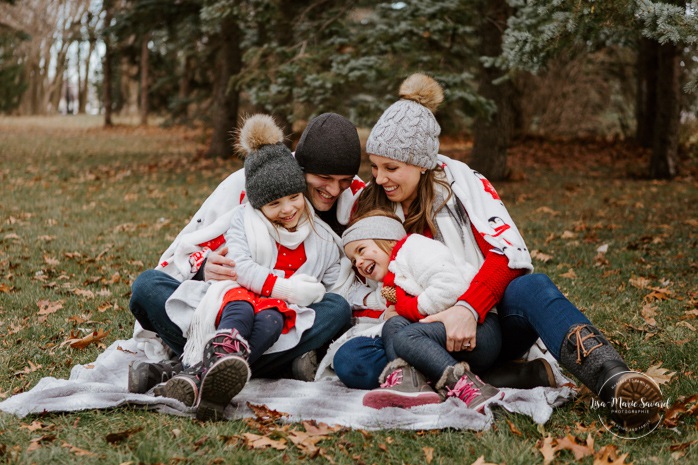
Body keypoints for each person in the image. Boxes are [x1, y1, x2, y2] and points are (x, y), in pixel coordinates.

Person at [332, 73, 661, 429]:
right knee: (352, 360)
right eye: (375, 167)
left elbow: (509, 255)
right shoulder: (372, 202)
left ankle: (613, 379)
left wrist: (467, 308)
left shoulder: (463, 183)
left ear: (422, 161)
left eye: (391, 168)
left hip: (483, 323)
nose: (380, 178)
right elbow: (369, 277)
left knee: (532, 288)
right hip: (416, 331)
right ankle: (501, 378)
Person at [128, 112, 368, 394]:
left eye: (344, 181)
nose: (333, 190)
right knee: (147, 286)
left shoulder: (355, 202)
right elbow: (187, 250)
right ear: (300, 168)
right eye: (324, 178)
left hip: (282, 319)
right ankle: (258, 365)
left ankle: (193, 370)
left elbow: (345, 283)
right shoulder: (249, 185)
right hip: (224, 306)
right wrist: (203, 268)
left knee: (336, 309)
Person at [341, 210, 516, 413]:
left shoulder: (415, 249)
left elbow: (450, 289)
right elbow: (386, 308)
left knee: (406, 335)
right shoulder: (393, 279)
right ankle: (410, 382)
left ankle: (471, 387)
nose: (359, 262)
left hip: (478, 330)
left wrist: (408, 309)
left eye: (361, 250)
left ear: (388, 240)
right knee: (393, 325)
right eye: (354, 260)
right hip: (445, 339)